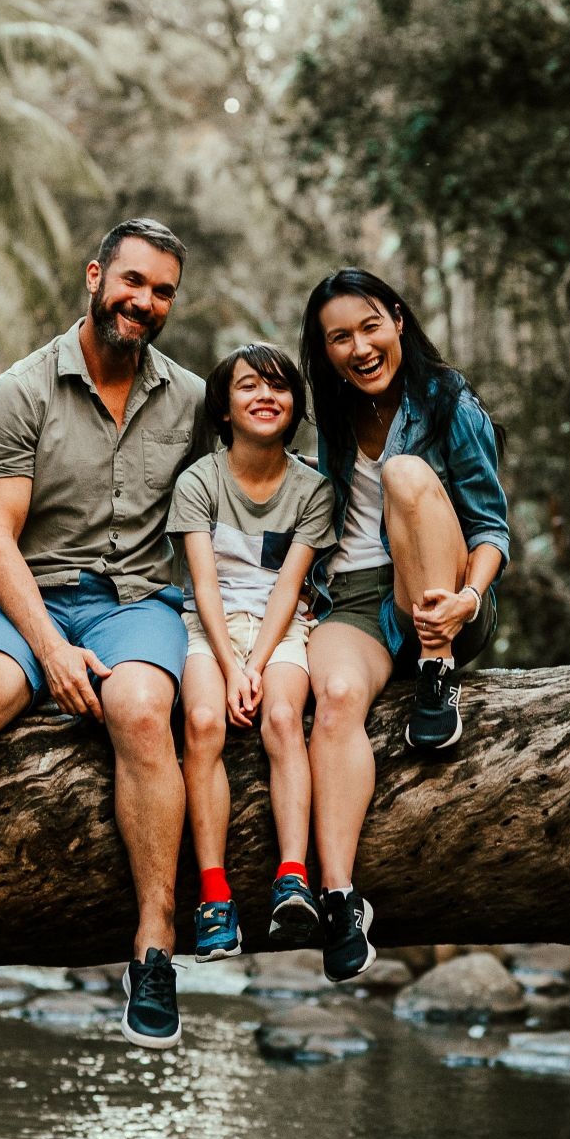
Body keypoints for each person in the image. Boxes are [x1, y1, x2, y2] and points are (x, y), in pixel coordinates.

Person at [0, 218, 207, 1051]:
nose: (144, 301)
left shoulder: (196, 401)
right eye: (132, 281)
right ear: (96, 276)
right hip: (25, 592)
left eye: (162, 290)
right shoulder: (20, 390)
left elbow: (252, 496)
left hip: (136, 601)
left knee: (138, 709)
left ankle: (155, 947)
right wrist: (52, 652)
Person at [297, 267, 510, 982]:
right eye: (339, 338)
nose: (359, 347)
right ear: (322, 350)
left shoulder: (449, 400)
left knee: (407, 476)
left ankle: (436, 672)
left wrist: (465, 601)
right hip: (353, 599)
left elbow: (491, 529)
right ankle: (339, 897)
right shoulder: (328, 413)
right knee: (333, 704)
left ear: (395, 317)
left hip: (442, 588)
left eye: (369, 326)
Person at [167, 345, 335, 963]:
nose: (265, 396)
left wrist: (257, 666)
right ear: (225, 407)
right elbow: (204, 586)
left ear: (294, 408)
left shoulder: (313, 488)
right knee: (204, 722)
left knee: (285, 720)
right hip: (206, 628)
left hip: (281, 629)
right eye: (248, 387)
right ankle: (215, 898)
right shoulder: (198, 482)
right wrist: (230, 663)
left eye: (279, 387)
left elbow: (291, 587)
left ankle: (293, 877)